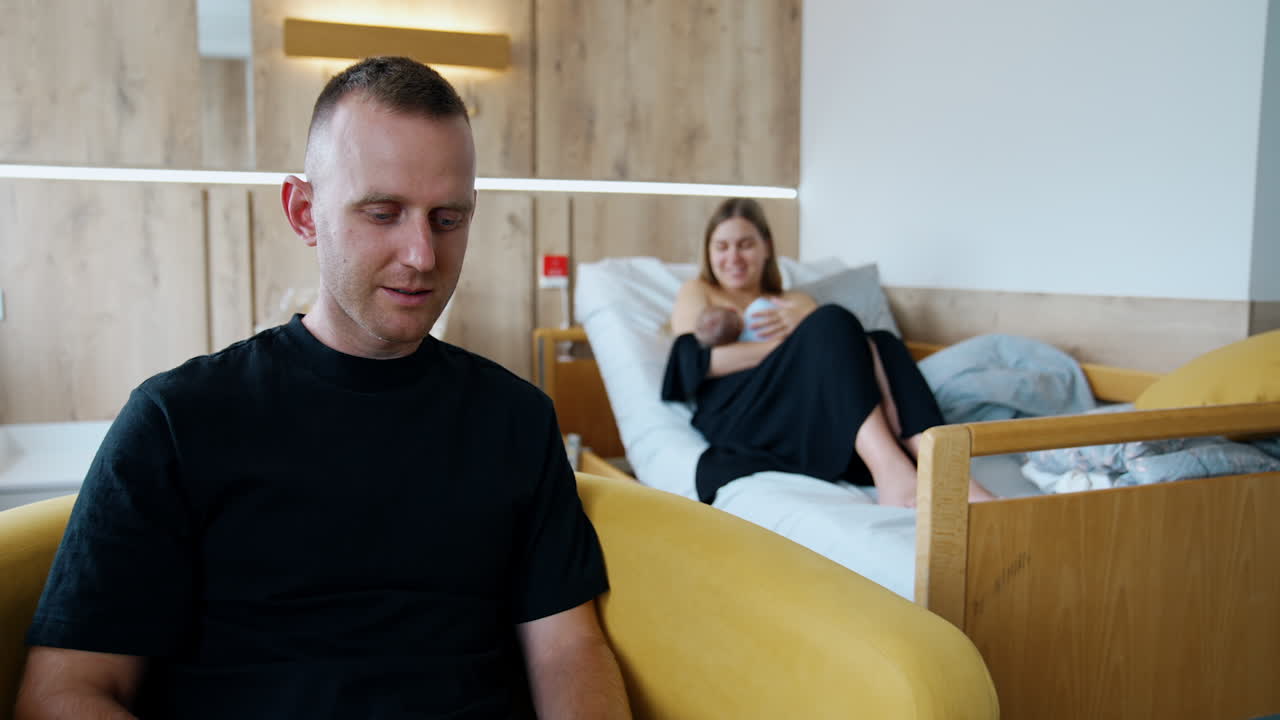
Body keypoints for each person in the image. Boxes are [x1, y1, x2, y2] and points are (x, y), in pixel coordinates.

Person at [16, 57, 631, 720]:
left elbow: (568, 652)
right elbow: (63, 694)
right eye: (383, 213)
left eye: (447, 219)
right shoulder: (179, 421)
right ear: (305, 212)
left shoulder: (516, 420)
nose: (422, 254)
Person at [663, 197, 994, 508]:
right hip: (738, 410)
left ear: (766, 248)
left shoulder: (793, 300)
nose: (733, 257)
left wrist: (813, 344)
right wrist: (787, 348)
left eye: (745, 244)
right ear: (708, 253)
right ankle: (887, 466)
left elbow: (842, 359)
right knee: (832, 321)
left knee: (882, 340)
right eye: (722, 246)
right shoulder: (699, 292)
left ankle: (940, 464)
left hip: (796, 409)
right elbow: (697, 364)